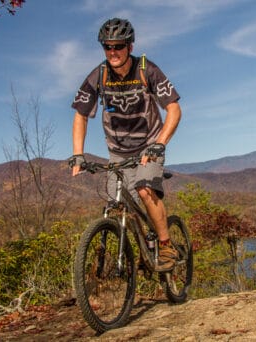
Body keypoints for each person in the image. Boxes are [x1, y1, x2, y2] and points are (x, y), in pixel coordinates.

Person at [68, 18, 182, 272]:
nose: (113, 52)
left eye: (118, 46)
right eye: (107, 47)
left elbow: (174, 109)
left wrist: (160, 144)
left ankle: (165, 245)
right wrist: (78, 154)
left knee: (143, 189)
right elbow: (81, 115)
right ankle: (144, 247)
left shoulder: (146, 69)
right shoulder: (99, 74)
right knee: (118, 205)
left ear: (130, 47)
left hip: (149, 144)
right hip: (117, 151)